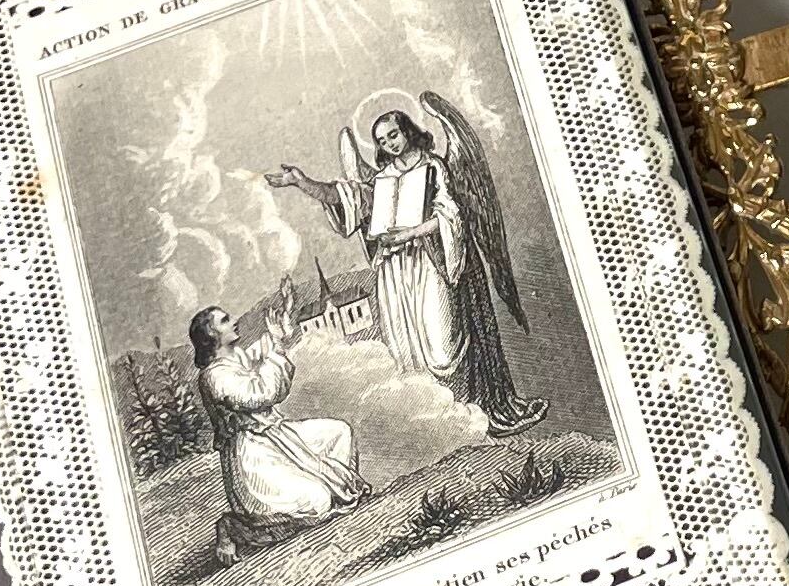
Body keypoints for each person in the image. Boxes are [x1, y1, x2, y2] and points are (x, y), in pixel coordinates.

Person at [273, 98, 543, 433]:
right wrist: (301, 182)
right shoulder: (381, 180)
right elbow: (341, 197)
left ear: (408, 131)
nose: (389, 144)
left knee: (441, 346)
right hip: (395, 272)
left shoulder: (434, 167)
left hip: (430, 262)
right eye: (382, 141)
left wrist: (410, 233)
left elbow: (451, 215)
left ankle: (475, 414)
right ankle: (444, 427)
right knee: (408, 347)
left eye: (393, 135)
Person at [191, 290, 364, 555]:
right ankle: (235, 527)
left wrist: (281, 325)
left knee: (339, 432)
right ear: (211, 336)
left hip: (278, 437)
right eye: (225, 320)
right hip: (252, 454)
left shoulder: (235, 357)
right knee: (317, 500)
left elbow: (262, 351)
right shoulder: (215, 376)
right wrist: (278, 346)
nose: (234, 321)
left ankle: (338, 493)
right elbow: (262, 393)